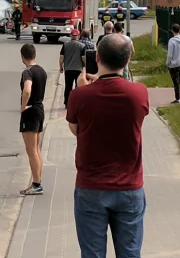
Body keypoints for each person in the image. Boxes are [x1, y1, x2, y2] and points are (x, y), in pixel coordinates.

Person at [67, 34, 149, 258]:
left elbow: (75, 130)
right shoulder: (139, 93)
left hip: (91, 186)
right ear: (128, 58)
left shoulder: (79, 96)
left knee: (92, 254)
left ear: (98, 57)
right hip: (129, 187)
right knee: (130, 253)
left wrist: (84, 88)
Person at [19, 44, 47, 196]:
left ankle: (37, 184)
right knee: (36, 149)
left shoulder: (27, 72)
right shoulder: (41, 70)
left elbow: (27, 89)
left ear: (22, 56)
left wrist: (23, 106)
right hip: (40, 109)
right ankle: (37, 181)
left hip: (30, 111)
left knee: (31, 151)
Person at [59, 29, 86, 107]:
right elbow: (83, 57)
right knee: (78, 87)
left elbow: (61, 57)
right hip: (78, 70)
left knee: (68, 87)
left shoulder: (65, 45)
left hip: (68, 69)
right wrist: (85, 66)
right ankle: (76, 103)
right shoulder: (82, 46)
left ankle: (67, 103)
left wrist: (61, 67)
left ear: (71, 36)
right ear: (78, 36)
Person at [166, 23, 180, 104]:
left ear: (172, 30)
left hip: (173, 65)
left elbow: (170, 55)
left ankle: (178, 98)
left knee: (176, 82)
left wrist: (167, 63)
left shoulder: (172, 41)